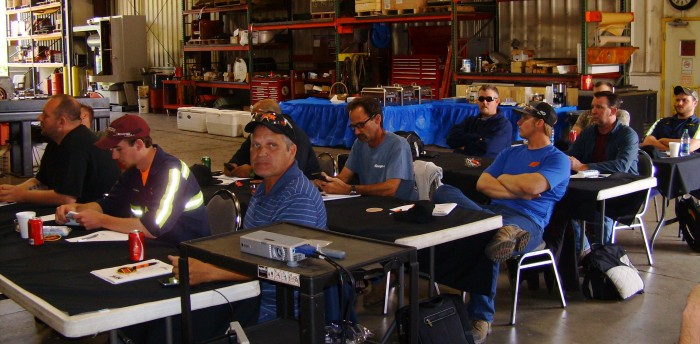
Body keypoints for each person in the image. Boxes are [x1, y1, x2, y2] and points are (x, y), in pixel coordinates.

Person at [169, 111, 333, 324]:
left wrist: (210, 272)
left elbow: (282, 267)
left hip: (277, 311)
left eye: (272, 145)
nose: (261, 153)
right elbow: (253, 253)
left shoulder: (298, 197)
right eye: (256, 146)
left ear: (292, 151)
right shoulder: (266, 186)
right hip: (249, 295)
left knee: (177, 324)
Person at [433, 101, 570, 343]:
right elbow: (483, 184)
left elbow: (534, 186)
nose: (518, 122)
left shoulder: (558, 159)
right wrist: (518, 188)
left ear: (539, 123)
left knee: (488, 239)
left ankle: (481, 317)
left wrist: (506, 179)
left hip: (529, 221)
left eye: (524, 118)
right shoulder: (510, 152)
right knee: (444, 192)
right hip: (494, 212)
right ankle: (498, 230)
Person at [55, 114, 210, 244]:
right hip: (155, 245)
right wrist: (77, 209)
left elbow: (153, 228)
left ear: (138, 144)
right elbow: (109, 203)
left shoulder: (171, 172)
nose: (114, 156)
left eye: (118, 149)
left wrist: (101, 220)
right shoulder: (134, 171)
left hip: (185, 250)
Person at [0, 94, 119, 205]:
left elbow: (66, 198)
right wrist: (13, 191)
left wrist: (21, 195)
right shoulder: (57, 140)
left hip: (92, 212)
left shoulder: (77, 144)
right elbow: (41, 181)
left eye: (45, 115)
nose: (39, 118)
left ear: (61, 121)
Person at [568, 91, 639, 253]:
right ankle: (585, 252)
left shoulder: (628, 135)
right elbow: (573, 156)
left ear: (613, 111)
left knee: (602, 210)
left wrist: (584, 167)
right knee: (564, 204)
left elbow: (621, 166)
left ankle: (603, 256)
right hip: (592, 185)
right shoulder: (588, 132)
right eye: (593, 107)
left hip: (622, 189)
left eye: (599, 107)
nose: (593, 111)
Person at [316, 96, 419, 201]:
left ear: (377, 119)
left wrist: (350, 189)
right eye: (353, 127)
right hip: (371, 203)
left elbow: (390, 189)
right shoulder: (359, 143)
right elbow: (343, 178)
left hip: (399, 207)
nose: (356, 132)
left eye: (361, 125)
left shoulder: (398, 145)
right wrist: (325, 183)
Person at [224, 99, 321, 179]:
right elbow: (239, 157)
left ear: (272, 115)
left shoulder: (295, 136)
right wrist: (232, 166)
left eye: (256, 115)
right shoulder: (258, 134)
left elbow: (292, 173)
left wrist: (253, 172)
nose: (261, 153)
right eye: (256, 145)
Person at [446, 85, 513, 157]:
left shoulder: (503, 125)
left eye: (489, 99)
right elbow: (450, 138)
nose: (484, 102)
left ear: (497, 101)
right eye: (481, 99)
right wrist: (477, 138)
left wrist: (464, 147)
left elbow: (487, 150)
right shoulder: (470, 121)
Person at [642, 86, 700, 152]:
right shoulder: (661, 122)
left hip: (685, 162)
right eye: (677, 100)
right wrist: (674, 148)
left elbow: (690, 146)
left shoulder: (698, 125)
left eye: (684, 100)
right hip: (658, 161)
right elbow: (647, 142)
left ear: (695, 103)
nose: (680, 103)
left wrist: (664, 140)